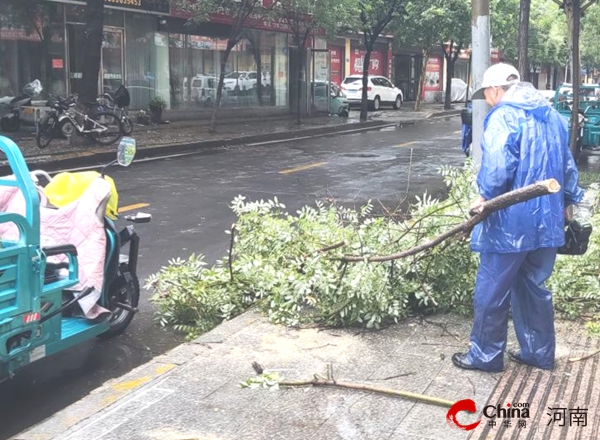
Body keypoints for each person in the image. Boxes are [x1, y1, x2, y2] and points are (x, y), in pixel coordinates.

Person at [452, 63, 584, 372]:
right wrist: (568, 202)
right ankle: (538, 353)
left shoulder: (503, 116)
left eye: (486, 93)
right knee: (534, 287)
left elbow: (498, 167)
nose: (487, 100)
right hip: (548, 221)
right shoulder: (551, 115)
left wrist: (484, 197)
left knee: (492, 290)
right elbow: (567, 164)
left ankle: (485, 356)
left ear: (496, 89)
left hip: (510, 223)